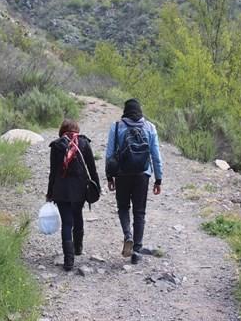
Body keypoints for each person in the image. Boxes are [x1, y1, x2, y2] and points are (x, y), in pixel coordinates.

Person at [105, 99, 163, 264]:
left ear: (125, 110)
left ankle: (127, 234)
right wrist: (158, 179)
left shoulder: (116, 126)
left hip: (122, 174)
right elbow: (156, 156)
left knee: (123, 207)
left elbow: (109, 154)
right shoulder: (150, 127)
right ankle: (137, 250)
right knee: (139, 212)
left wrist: (110, 176)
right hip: (142, 175)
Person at [46, 119, 101, 271]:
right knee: (78, 217)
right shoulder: (84, 143)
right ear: (77, 129)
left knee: (66, 223)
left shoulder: (56, 145)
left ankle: (68, 261)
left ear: (62, 130)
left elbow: (53, 172)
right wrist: (97, 187)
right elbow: (92, 169)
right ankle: (78, 248)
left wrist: (49, 192)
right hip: (79, 190)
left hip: (61, 191)